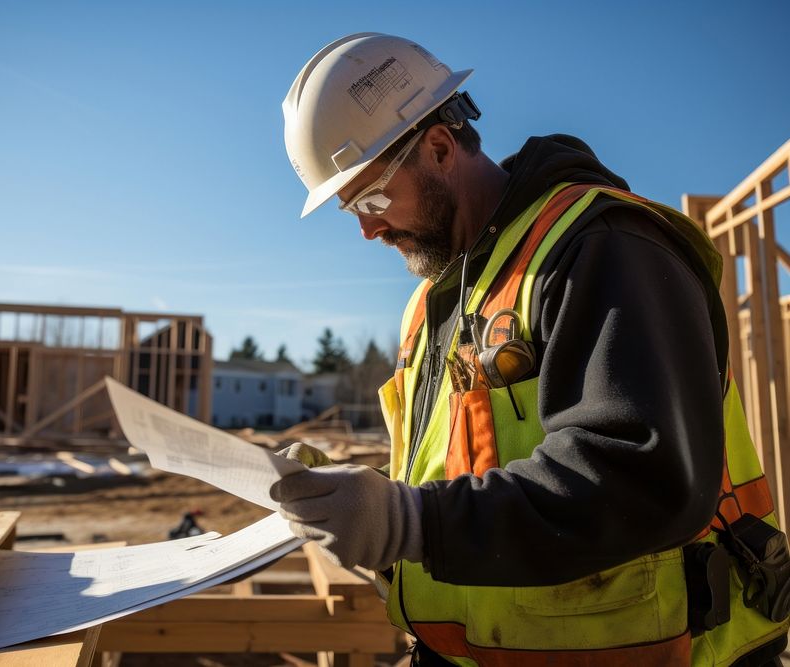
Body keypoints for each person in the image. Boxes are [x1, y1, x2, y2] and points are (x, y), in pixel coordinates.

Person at [272, 33, 790, 666]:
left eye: (373, 199)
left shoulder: (601, 247)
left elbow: (646, 477)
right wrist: (363, 500)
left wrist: (410, 522)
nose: (367, 229)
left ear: (439, 148)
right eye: (351, 209)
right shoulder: (438, 302)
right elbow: (465, 477)